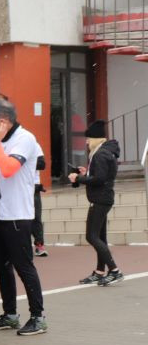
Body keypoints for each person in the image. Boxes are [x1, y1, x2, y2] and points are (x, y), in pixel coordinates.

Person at [0, 98, 48, 336]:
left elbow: (9, 169)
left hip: (18, 215)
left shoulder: (25, 139)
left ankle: (38, 317)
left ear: (3, 121)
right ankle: (10, 314)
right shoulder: (0, 140)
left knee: (24, 266)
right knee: (0, 265)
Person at [70, 119, 123, 286]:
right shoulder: (105, 152)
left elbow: (99, 179)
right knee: (100, 236)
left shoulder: (100, 154)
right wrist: (87, 172)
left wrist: (78, 178)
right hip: (103, 198)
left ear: (95, 139)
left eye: (88, 139)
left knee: (91, 236)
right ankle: (100, 271)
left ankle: (114, 270)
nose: (86, 142)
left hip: (100, 199)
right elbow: (102, 174)